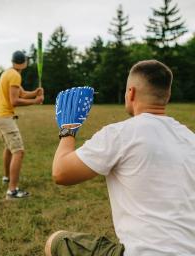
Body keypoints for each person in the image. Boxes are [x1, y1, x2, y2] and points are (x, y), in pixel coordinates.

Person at [45, 60, 195, 256]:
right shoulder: (190, 138)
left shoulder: (120, 133)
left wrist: (68, 129)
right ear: (167, 96)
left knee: (56, 242)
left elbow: (61, 172)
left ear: (130, 93)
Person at [0, 50, 44, 200]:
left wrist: (35, 92)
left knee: (9, 148)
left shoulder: (8, 73)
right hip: (4, 117)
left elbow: (21, 94)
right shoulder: (15, 75)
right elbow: (15, 100)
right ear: (25, 62)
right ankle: (12, 191)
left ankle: (7, 178)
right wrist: (36, 101)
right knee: (18, 151)